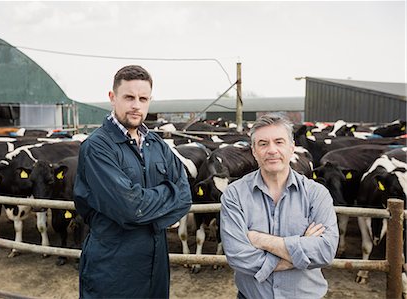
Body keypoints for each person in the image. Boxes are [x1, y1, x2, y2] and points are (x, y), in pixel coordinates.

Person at [73, 65, 192, 298]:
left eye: (143, 98)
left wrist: (148, 204)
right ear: (112, 97)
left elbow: (185, 195)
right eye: (129, 97)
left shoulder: (156, 143)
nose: (136, 105)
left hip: (156, 267)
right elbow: (129, 208)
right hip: (113, 267)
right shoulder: (97, 147)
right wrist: (168, 199)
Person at [220, 113, 339, 298]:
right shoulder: (234, 194)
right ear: (253, 151)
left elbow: (326, 251)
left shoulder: (317, 193)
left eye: (279, 142)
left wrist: (260, 240)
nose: (272, 150)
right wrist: (301, 250)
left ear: (292, 148)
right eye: (263, 144)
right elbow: (237, 256)